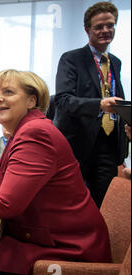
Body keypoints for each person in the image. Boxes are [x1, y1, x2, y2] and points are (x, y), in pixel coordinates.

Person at [0, 69, 111, 275]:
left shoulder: (35, 133)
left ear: (32, 100)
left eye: (8, 92)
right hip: (50, 237)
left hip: (70, 253)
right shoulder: (26, 129)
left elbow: (5, 204)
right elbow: (11, 179)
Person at [54, 2, 127, 207]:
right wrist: (100, 104)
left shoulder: (116, 62)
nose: (105, 30)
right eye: (99, 27)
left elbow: (116, 97)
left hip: (109, 143)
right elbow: (63, 101)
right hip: (79, 144)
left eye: (110, 25)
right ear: (87, 30)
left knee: (103, 205)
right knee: (74, 204)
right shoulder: (71, 59)